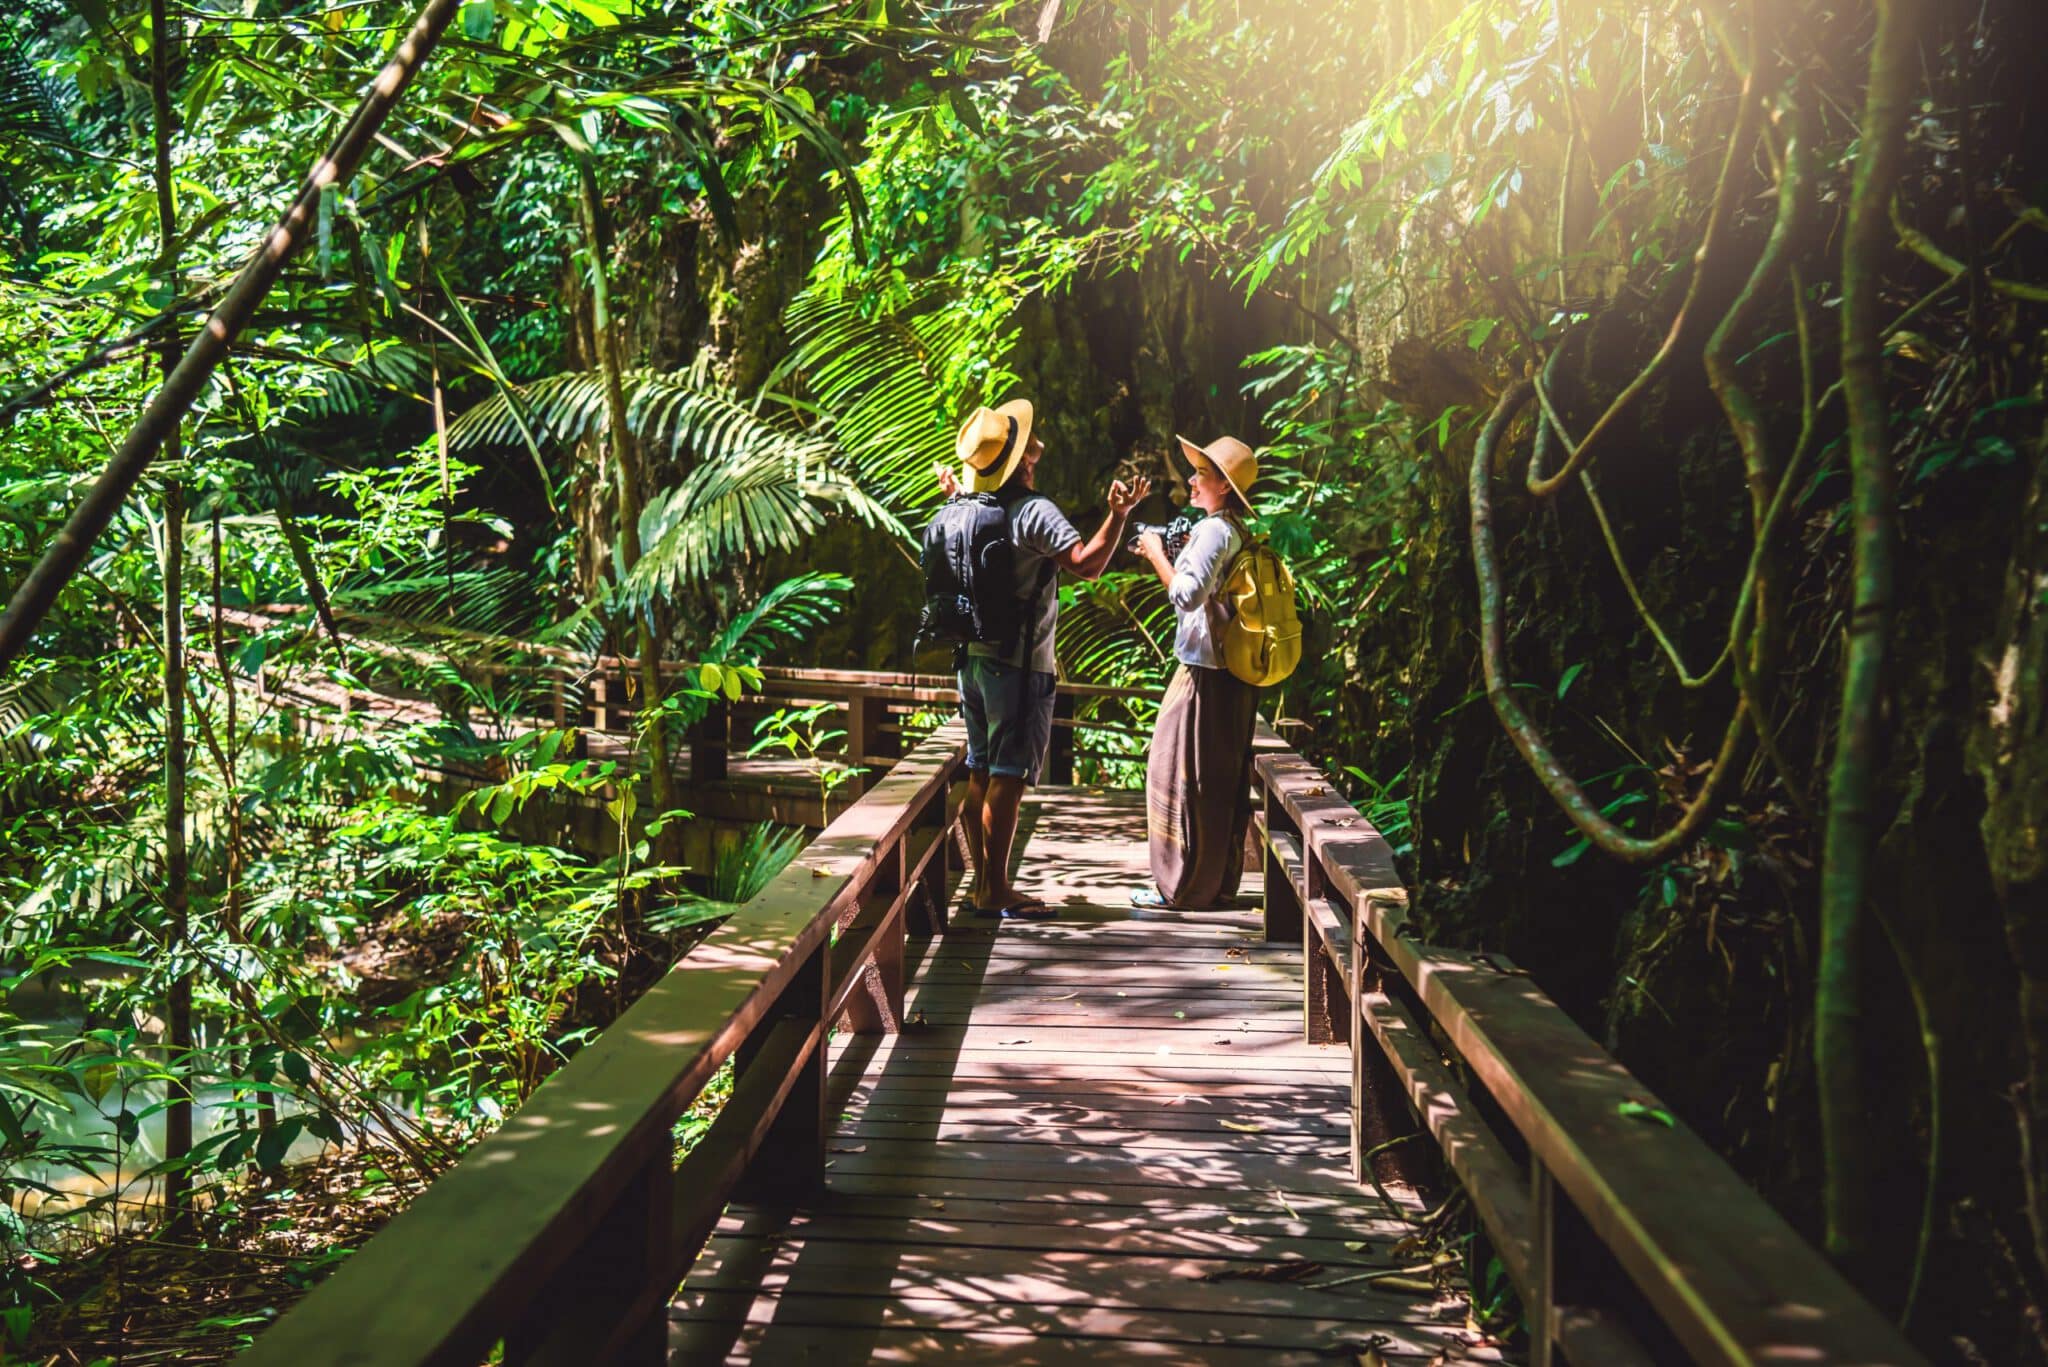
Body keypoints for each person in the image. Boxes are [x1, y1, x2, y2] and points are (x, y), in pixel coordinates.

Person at [944, 400, 1147, 919]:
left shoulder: (967, 506)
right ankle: (994, 888)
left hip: (972, 658)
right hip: (1017, 664)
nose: (1034, 443)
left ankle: (981, 883)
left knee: (980, 770)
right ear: (1021, 459)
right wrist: (1118, 516)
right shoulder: (1033, 511)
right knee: (1008, 775)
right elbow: (1087, 564)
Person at [1132, 435, 1259, 910]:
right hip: (1229, 672)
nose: (1191, 480)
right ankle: (1212, 885)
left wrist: (1155, 552)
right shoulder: (1233, 530)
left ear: (1223, 486)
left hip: (1204, 672)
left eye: (1201, 474)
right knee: (1215, 779)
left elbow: (1186, 595)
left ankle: (1182, 887)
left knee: (1177, 774)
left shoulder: (1215, 532)